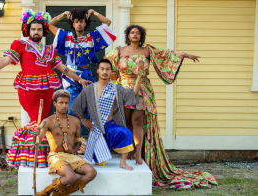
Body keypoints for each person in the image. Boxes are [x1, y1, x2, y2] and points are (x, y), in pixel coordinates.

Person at [0, 10, 91, 168]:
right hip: (28, 89)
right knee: (37, 121)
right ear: (28, 30)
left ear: (44, 31)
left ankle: (38, 158)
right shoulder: (21, 46)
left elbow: (64, 69)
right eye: (33, 29)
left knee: (41, 121)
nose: (36, 32)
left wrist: (80, 79)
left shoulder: (50, 50)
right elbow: (5, 60)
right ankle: (31, 157)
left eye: (39, 29)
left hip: (47, 89)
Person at [105, 25, 217, 189]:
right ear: (128, 35)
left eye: (138, 33)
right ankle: (128, 150)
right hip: (123, 88)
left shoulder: (147, 51)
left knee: (137, 120)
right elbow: (106, 66)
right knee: (126, 121)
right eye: (132, 32)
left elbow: (167, 55)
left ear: (141, 36)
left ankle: (138, 152)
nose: (135, 34)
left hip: (142, 88)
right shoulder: (119, 51)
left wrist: (185, 55)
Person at [70, 59, 142, 170]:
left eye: (108, 69)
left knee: (126, 132)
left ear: (111, 72)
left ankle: (123, 162)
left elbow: (132, 94)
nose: (105, 71)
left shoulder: (116, 88)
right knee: (100, 163)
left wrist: (139, 77)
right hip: (96, 128)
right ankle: (101, 151)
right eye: (102, 69)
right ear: (98, 71)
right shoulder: (89, 89)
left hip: (111, 126)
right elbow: (76, 106)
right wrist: (84, 120)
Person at [49, 8, 118, 120]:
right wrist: (64, 14)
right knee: (72, 106)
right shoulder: (67, 37)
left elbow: (107, 22)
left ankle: (79, 136)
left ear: (86, 23)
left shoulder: (92, 37)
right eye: (76, 21)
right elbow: (50, 24)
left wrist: (93, 13)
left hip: (87, 74)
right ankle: (72, 135)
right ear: (73, 23)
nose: (79, 24)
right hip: (70, 75)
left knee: (86, 108)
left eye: (81, 21)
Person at [34, 90, 97, 196]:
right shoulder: (47, 121)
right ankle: (44, 193)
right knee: (71, 177)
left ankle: (60, 193)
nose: (64, 105)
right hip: (56, 157)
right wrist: (35, 135)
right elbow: (36, 142)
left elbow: (78, 141)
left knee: (92, 172)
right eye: (60, 102)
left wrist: (73, 150)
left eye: (66, 103)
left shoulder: (75, 121)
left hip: (71, 155)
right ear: (55, 103)